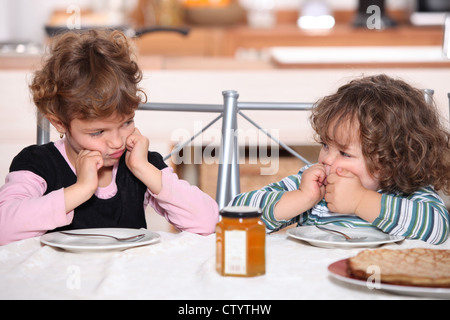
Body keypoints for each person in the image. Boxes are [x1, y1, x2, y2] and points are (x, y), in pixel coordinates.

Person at [0, 30, 219, 245]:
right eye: (97, 132)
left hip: (124, 278)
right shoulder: (38, 163)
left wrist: (143, 169)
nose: (116, 142)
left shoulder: (140, 162)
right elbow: (3, 228)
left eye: (126, 123)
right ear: (59, 122)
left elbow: (208, 222)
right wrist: (82, 189)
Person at [231, 74, 450, 245]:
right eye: (326, 145)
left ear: (392, 162)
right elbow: (236, 214)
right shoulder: (315, 184)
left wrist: (360, 201)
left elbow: (439, 230)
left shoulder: (409, 192)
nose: (327, 159)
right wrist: (301, 197)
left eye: (344, 153)